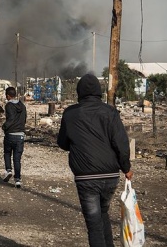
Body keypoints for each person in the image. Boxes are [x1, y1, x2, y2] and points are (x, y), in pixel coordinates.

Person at [57, 73, 133, 247]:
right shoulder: (110, 112)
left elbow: (62, 143)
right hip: (110, 177)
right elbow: (121, 144)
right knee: (103, 214)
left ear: (79, 92)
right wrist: (126, 168)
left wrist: (78, 145)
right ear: (99, 92)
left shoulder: (70, 114)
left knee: (94, 224)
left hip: (86, 178)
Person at [0, 87, 26, 188]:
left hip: (10, 134)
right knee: (17, 159)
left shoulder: (9, 105)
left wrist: (2, 128)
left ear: (8, 96)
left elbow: (10, 119)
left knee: (7, 153)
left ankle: (8, 170)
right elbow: (24, 119)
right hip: (20, 135)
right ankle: (18, 180)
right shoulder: (22, 106)